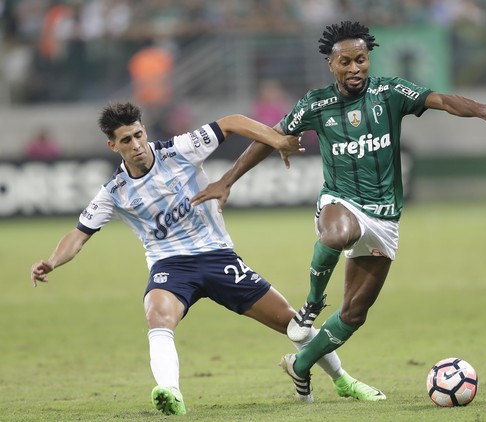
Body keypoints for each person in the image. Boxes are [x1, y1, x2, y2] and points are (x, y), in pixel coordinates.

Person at [191, 21, 486, 396]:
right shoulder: (317, 104)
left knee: (353, 313)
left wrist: (480, 109)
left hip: (385, 217)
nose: (355, 69)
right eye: (345, 61)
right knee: (337, 233)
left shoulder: (391, 91)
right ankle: (311, 304)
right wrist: (227, 180)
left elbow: (441, 100)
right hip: (340, 201)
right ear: (331, 65)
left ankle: (299, 364)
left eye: (360, 60)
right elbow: (272, 137)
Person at [29, 101, 386, 416]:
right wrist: (51, 261)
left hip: (217, 257)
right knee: (158, 316)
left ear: (144, 130)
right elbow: (78, 235)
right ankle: (170, 392)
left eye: (138, 135)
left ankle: (344, 380)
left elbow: (230, 122)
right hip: (170, 266)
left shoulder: (178, 149)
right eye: (126, 140)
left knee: (293, 324)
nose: (136, 145)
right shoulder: (114, 192)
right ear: (113, 145)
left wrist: (275, 139)